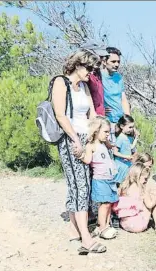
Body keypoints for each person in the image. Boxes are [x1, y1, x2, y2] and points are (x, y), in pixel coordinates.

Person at [52, 49, 106, 254]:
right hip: (70, 139)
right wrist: (76, 140)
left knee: (80, 184)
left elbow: (92, 114)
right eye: (89, 68)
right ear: (77, 64)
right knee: (80, 186)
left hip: (85, 138)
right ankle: (86, 238)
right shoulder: (60, 82)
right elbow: (60, 115)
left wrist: (95, 138)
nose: (91, 73)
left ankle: (74, 229)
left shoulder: (83, 86)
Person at [79, 117, 119, 245]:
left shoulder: (103, 144)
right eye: (106, 132)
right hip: (100, 180)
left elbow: (109, 146)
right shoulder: (91, 145)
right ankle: (103, 228)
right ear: (96, 131)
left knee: (109, 203)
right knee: (104, 204)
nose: (108, 135)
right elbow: (87, 160)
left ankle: (104, 225)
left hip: (109, 179)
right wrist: (80, 155)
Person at [114, 164, 156, 235]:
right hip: (137, 226)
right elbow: (150, 205)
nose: (146, 181)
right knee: (153, 200)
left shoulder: (124, 186)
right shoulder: (141, 189)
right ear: (138, 176)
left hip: (124, 224)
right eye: (145, 178)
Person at [102, 47, 130, 140]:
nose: (116, 64)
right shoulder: (99, 76)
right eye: (113, 61)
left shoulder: (118, 77)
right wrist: (100, 110)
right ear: (104, 61)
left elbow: (123, 99)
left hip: (120, 121)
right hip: (107, 122)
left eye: (118, 62)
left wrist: (128, 120)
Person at [80, 40, 109, 116]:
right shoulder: (84, 75)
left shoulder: (97, 73)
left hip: (100, 117)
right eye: (100, 56)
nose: (102, 59)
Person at [112, 115, 138, 183]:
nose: (131, 129)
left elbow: (131, 147)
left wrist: (136, 138)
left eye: (132, 127)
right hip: (120, 165)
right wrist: (126, 156)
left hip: (126, 164)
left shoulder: (128, 138)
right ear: (122, 126)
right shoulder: (120, 138)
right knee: (119, 183)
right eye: (130, 127)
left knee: (125, 183)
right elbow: (115, 152)